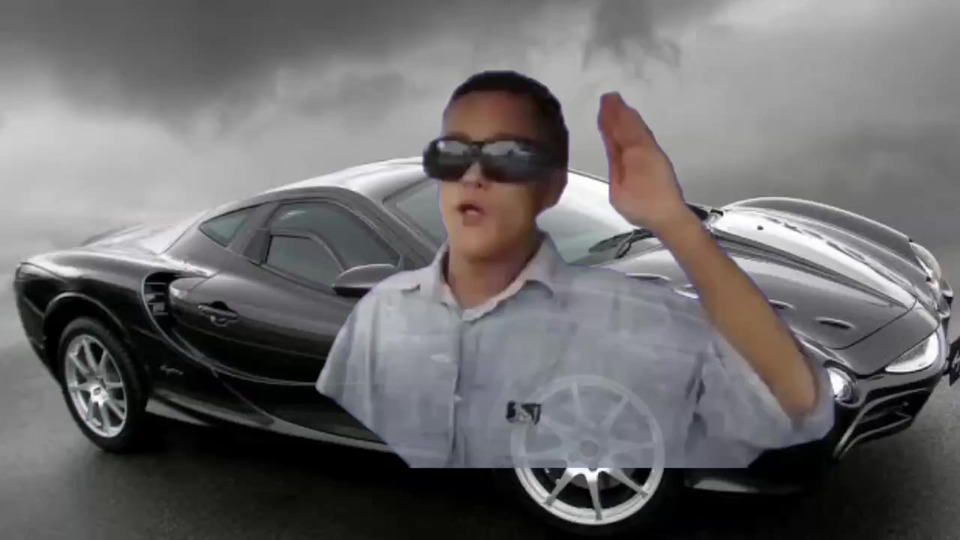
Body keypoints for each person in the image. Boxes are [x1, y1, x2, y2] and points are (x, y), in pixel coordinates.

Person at [316, 70, 834, 469]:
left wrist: (672, 222)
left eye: (508, 155)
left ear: (554, 187)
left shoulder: (640, 318)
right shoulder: (380, 313)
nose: (472, 175)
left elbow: (794, 405)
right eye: (451, 154)